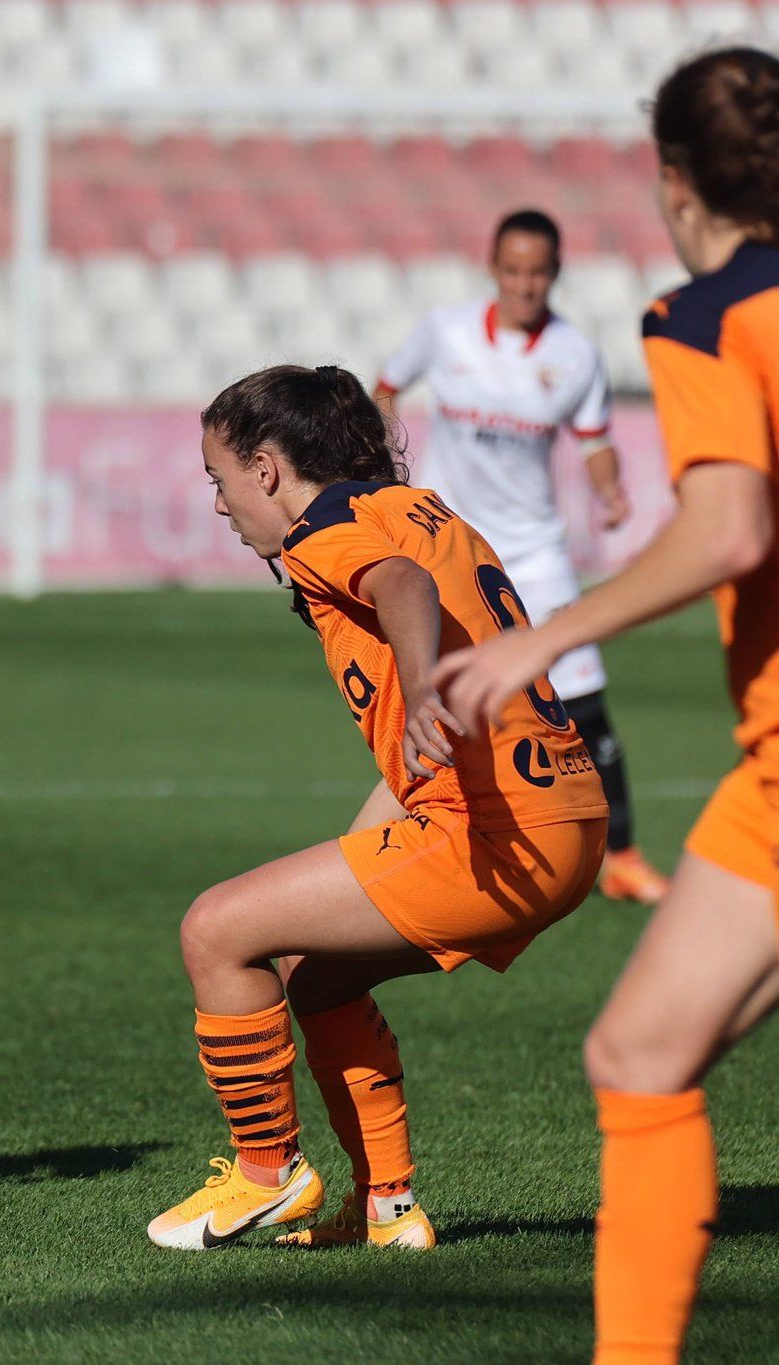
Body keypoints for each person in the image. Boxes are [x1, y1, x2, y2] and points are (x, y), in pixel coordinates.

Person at [435, 48, 779, 1361]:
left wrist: (548, 639)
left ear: (674, 179)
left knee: (639, 1065)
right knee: (641, 1050)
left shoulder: (704, 315)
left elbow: (730, 525)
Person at [147, 364, 607, 1252]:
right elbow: (419, 647)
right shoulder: (420, 509)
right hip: (566, 812)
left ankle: (265, 1175)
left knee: (215, 930)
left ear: (269, 469)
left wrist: (428, 683)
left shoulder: (330, 539)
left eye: (221, 478)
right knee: (316, 976)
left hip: (494, 824)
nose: (219, 503)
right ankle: (389, 1212)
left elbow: (402, 585)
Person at [376, 208, 668, 905]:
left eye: (538, 272)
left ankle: (621, 857)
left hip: (534, 553)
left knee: (584, 699)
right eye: (513, 270)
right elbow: (386, 387)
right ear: (494, 268)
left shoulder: (574, 354)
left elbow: (594, 438)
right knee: (431, 691)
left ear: (555, 274)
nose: (525, 285)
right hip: (447, 544)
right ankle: (437, 832)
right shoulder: (444, 332)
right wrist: (383, 448)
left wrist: (610, 492)